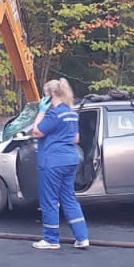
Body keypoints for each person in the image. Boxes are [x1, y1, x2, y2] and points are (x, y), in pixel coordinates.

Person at [30, 78, 89, 250]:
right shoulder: (71, 113)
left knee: (49, 200)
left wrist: (40, 112)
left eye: (45, 96)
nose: (44, 99)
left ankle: (51, 239)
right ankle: (82, 237)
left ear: (51, 95)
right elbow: (76, 138)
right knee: (69, 198)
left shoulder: (53, 114)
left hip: (52, 161)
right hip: (70, 160)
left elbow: (36, 131)